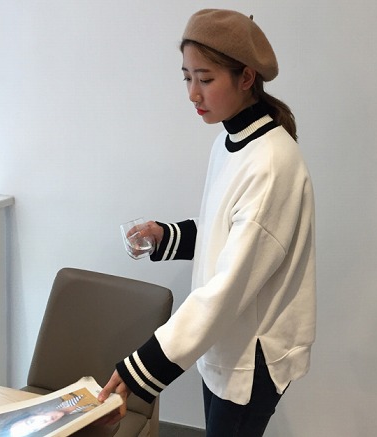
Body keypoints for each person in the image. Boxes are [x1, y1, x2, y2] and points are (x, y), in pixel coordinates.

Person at [98, 8, 316, 436]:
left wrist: (144, 365)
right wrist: (166, 236)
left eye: (206, 78)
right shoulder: (230, 142)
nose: (193, 94)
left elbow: (230, 285)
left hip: (251, 353)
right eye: (187, 78)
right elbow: (224, 228)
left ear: (246, 77)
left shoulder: (271, 163)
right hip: (225, 340)